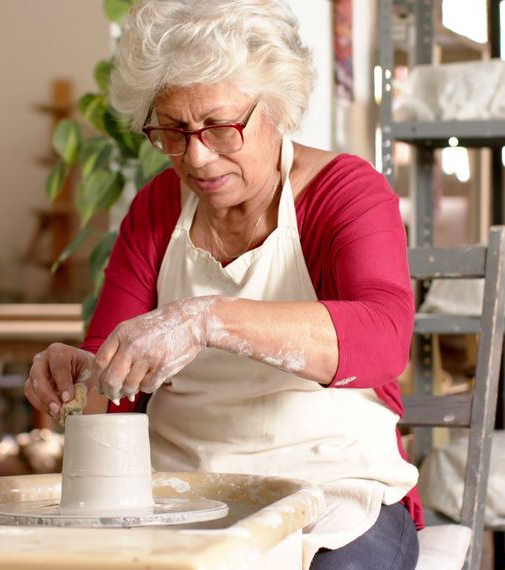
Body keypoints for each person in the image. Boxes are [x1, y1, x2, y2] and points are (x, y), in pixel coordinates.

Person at [25, 1, 421, 567]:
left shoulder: (346, 192)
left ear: (276, 106)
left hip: (333, 489)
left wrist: (209, 319)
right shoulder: (159, 208)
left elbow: (384, 341)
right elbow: (110, 366)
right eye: (174, 131)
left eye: (220, 127)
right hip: (179, 493)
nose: (198, 157)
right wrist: (80, 374)